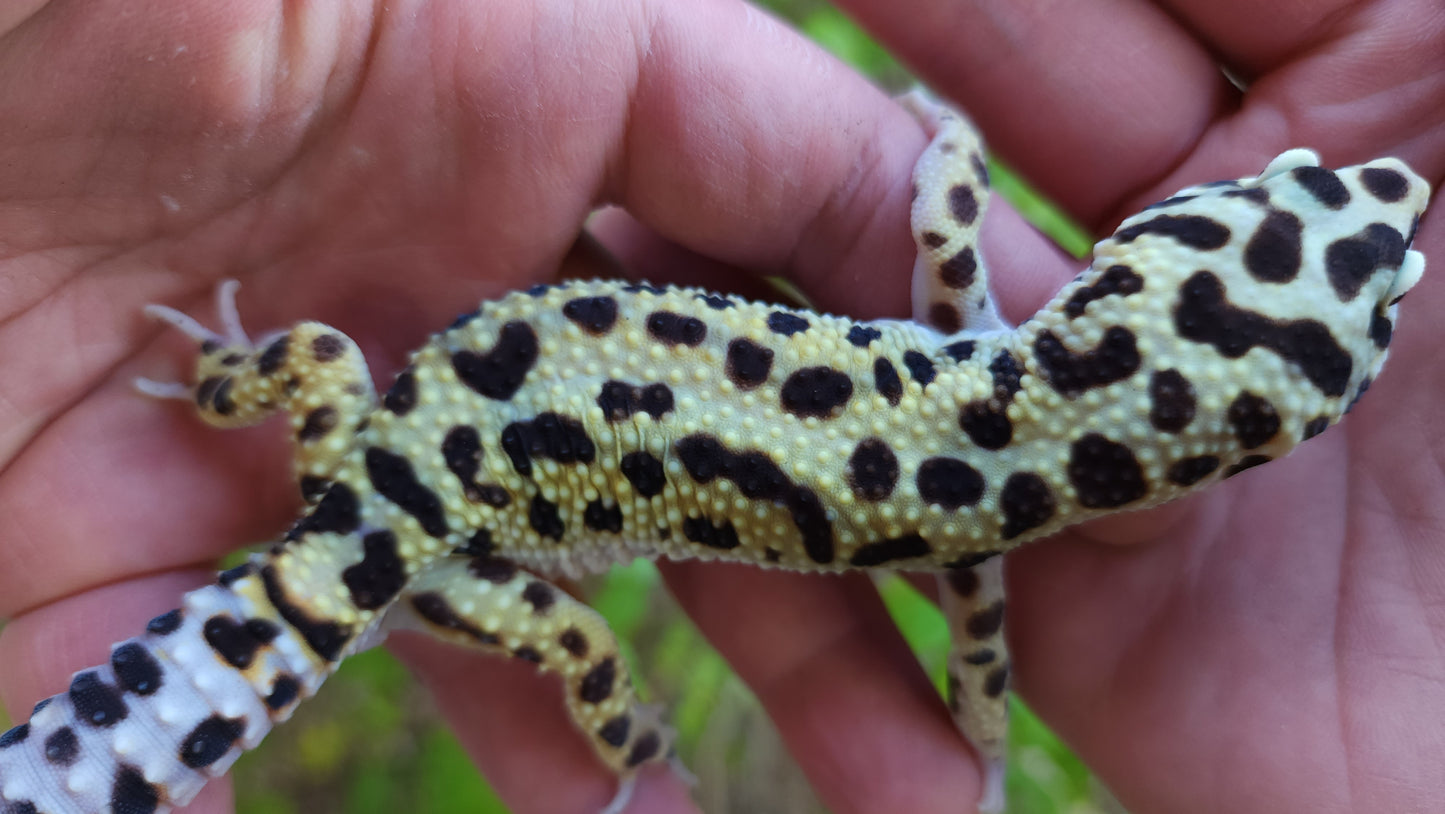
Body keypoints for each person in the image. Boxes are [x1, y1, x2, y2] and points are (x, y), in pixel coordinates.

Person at [0, 1, 1439, 812]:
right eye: (1287, 197)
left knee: (308, 357)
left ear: (1135, 275)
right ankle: (633, 756)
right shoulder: (983, 526)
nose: (1384, 193)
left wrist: (952, 149)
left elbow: (944, 203)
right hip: (437, 524)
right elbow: (980, 641)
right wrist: (983, 744)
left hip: (417, 463)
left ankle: (225, 369)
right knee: (565, 641)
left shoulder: (973, 338)